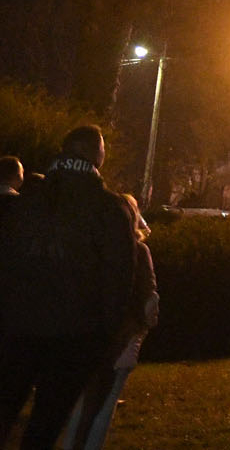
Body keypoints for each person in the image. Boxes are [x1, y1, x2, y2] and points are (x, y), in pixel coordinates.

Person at [0, 125, 135, 450]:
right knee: (45, 426)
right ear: (96, 155)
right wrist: (109, 336)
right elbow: (119, 279)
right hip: (75, 336)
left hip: (16, 330)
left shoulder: (23, 203)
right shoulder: (108, 209)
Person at [58, 194, 158, 450]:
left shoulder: (92, 248)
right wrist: (145, 325)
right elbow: (149, 296)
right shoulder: (138, 251)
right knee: (105, 403)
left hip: (90, 333)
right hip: (125, 335)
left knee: (83, 402)